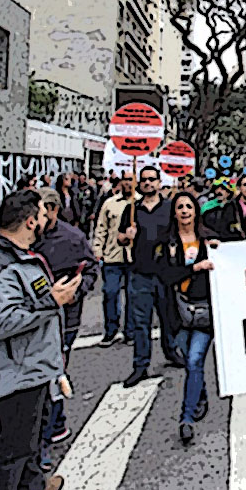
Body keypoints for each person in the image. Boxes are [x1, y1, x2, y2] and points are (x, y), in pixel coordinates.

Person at [0, 190, 82, 490]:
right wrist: (52, 301)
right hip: (13, 370)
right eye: (42, 215)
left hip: (30, 366)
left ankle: (31, 488)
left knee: (30, 436)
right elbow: (2, 321)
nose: (46, 221)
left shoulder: (15, 256)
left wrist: (53, 297)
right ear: (30, 221)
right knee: (13, 446)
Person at [34, 189, 97, 465]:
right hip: (34, 317)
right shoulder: (27, 237)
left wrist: (76, 292)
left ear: (53, 209)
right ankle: (56, 422)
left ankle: (46, 437)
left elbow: (91, 268)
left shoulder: (73, 238)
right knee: (48, 376)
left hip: (65, 319)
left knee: (54, 373)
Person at [156, 193, 219, 444]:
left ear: (195, 211)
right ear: (174, 212)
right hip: (178, 312)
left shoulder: (209, 239)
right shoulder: (167, 242)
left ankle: (187, 418)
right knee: (190, 362)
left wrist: (219, 252)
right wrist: (193, 268)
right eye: (180, 207)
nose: (184, 211)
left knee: (194, 360)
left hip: (204, 310)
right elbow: (164, 275)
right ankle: (199, 393)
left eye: (189, 207)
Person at [119, 166, 182, 388]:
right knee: (140, 322)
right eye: (144, 180)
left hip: (165, 273)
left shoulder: (170, 207)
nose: (148, 183)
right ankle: (140, 365)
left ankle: (171, 351)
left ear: (159, 182)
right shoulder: (132, 209)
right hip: (140, 273)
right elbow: (120, 238)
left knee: (168, 317)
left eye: (152, 179)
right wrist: (127, 236)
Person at [92, 174, 138, 347]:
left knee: (133, 296)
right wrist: (98, 250)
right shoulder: (110, 203)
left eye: (131, 179)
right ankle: (110, 330)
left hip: (134, 257)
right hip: (112, 256)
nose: (127, 183)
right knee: (110, 293)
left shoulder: (140, 203)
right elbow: (101, 228)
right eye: (125, 179)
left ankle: (130, 332)